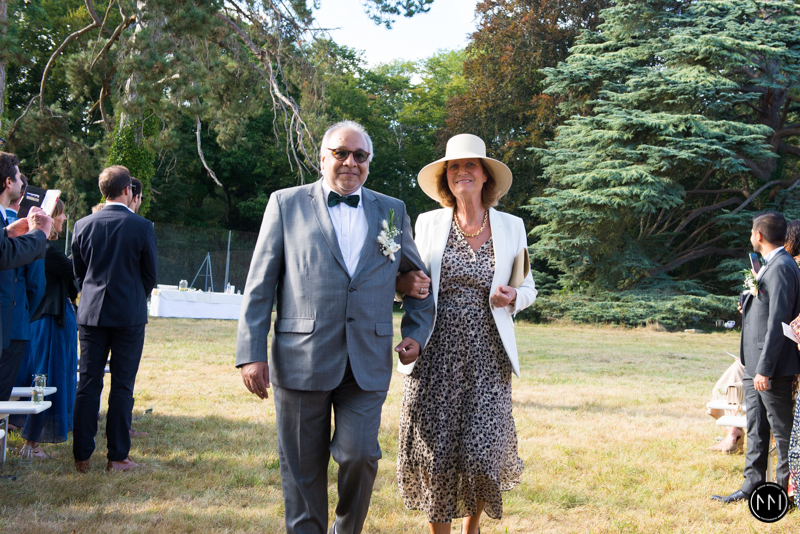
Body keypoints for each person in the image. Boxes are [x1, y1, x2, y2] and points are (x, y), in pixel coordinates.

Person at [236, 120, 435, 534]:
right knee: (302, 469)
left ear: (369, 162)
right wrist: (251, 353)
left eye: (359, 155)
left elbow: (418, 281)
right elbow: (259, 286)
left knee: (360, 455)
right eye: (341, 153)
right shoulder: (285, 204)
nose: (350, 162)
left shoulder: (392, 210)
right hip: (301, 359)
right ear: (322, 157)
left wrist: (415, 333)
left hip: (367, 361)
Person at [395, 133, 537, 534]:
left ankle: (471, 529)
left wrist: (514, 297)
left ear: (486, 174)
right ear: (446, 177)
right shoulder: (428, 223)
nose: (462, 172)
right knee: (436, 454)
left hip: (489, 355)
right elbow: (408, 280)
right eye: (453, 166)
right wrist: (404, 286)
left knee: (482, 453)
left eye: (470, 164)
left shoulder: (512, 226)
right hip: (435, 352)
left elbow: (528, 287)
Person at [71, 165, 158, 473]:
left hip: (91, 314)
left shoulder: (82, 224)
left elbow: (79, 273)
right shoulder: (142, 226)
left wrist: (91, 296)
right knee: (122, 384)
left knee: (88, 383)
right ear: (127, 190)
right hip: (128, 317)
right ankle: (117, 456)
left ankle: (81, 456)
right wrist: (133, 297)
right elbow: (150, 275)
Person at [712, 212, 800, 503]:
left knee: (782, 432)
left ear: (758, 235)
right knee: (756, 428)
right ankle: (751, 486)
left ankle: (784, 494)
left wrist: (765, 368)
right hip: (753, 363)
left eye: (752, 232)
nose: (751, 236)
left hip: (771, 366)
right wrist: (748, 301)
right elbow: (766, 306)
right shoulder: (769, 264)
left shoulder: (783, 266)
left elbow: (779, 319)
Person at [12, 199, 77, 457]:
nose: (64, 219)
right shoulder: (47, 250)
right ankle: (31, 443)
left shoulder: (46, 248)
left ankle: (29, 438)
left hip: (50, 321)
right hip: (49, 324)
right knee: (43, 378)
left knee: (44, 378)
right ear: (51, 217)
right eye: (61, 215)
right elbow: (74, 269)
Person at [0, 152, 51, 400]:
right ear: (8, 182)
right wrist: (39, 234)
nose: (22, 183)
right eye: (19, 177)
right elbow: (5, 255)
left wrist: (8, 233)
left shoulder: (4, 222)